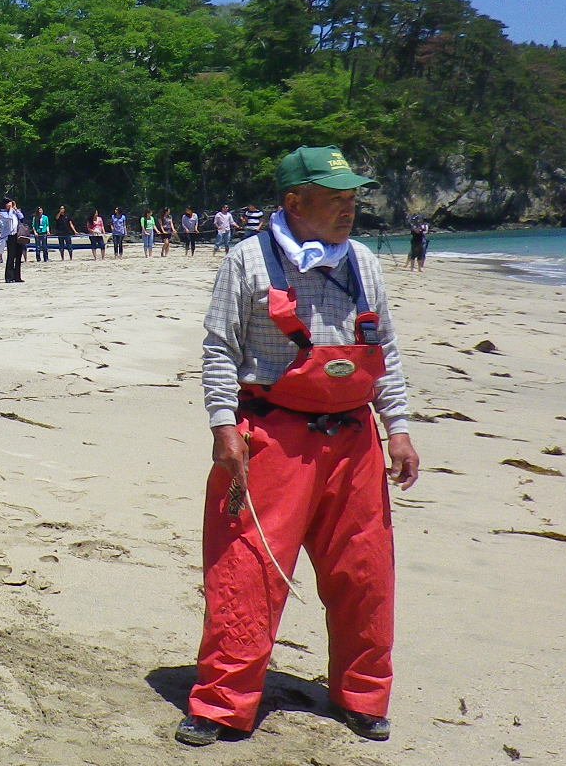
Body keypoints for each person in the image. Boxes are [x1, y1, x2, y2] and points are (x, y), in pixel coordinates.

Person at [178, 146, 420, 749]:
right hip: (271, 440)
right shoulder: (246, 262)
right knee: (248, 569)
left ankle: (362, 695)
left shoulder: (364, 262)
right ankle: (221, 704)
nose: (349, 208)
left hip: (355, 440)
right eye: (335, 197)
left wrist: (399, 428)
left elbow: (383, 352)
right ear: (294, 202)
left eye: (352, 197)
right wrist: (223, 426)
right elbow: (218, 350)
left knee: (365, 573)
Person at [0, 199, 27, 283]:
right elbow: (9, 218)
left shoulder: (15, 211)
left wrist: (16, 209)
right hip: (10, 236)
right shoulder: (3, 213)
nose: (10, 205)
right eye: (9, 204)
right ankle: (9, 277)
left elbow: (21, 217)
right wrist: (10, 210)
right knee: (11, 256)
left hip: (18, 235)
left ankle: (17, 277)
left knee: (18, 256)